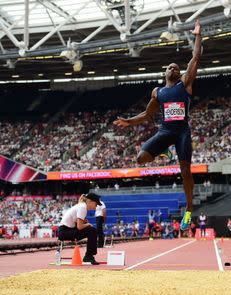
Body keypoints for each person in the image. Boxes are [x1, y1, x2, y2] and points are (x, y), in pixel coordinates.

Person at [114, 20, 202, 231]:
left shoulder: (185, 84)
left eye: (177, 67)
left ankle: (189, 211)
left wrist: (198, 35)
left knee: (185, 171)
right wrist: (129, 121)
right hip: (165, 131)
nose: (174, 67)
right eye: (170, 66)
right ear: (164, 73)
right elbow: (147, 113)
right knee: (140, 157)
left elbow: (196, 57)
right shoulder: (158, 92)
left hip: (181, 132)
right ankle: (166, 153)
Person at [57, 193, 101, 265]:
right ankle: (89, 256)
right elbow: (79, 227)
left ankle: (89, 255)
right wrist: (87, 224)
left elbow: (78, 225)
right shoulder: (82, 207)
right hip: (64, 232)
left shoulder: (81, 206)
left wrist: (85, 224)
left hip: (65, 230)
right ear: (90, 201)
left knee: (91, 230)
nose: (96, 207)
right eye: (96, 204)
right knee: (92, 230)